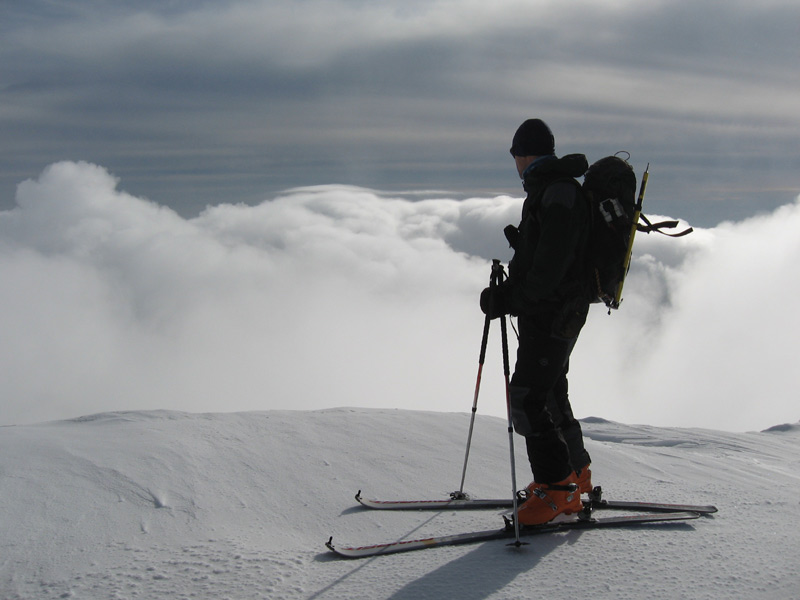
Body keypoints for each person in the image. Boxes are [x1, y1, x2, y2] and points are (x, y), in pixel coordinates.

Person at [480, 118, 593, 525]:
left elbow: (549, 271)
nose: (514, 162)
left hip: (553, 313)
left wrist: (506, 298)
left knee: (526, 396)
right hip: (555, 312)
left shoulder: (557, 193)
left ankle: (558, 489)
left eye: (515, 155)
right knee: (549, 392)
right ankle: (574, 475)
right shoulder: (552, 191)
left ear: (523, 155)